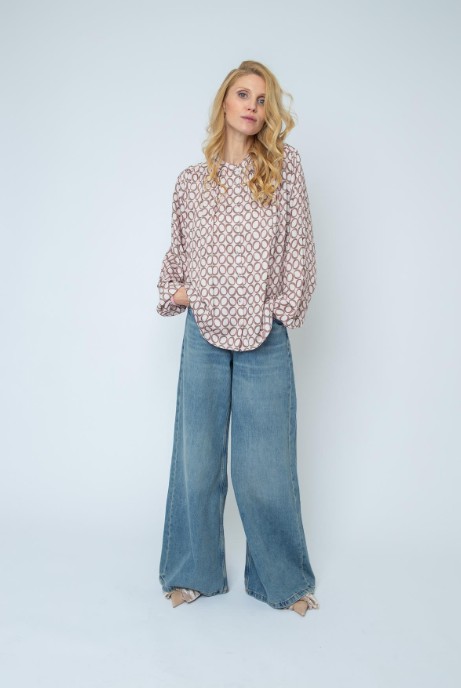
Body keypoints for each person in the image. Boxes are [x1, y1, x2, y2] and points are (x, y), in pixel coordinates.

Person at [156, 60, 319, 617]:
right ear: (224, 101)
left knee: (265, 468)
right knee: (197, 460)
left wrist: (280, 310)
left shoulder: (283, 169)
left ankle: (281, 581)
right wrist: (184, 293)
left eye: (263, 99)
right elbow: (178, 255)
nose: (253, 105)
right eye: (244, 94)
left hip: (264, 335)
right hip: (202, 334)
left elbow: (300, 247)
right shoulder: (190, 182)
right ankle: (192, 572)